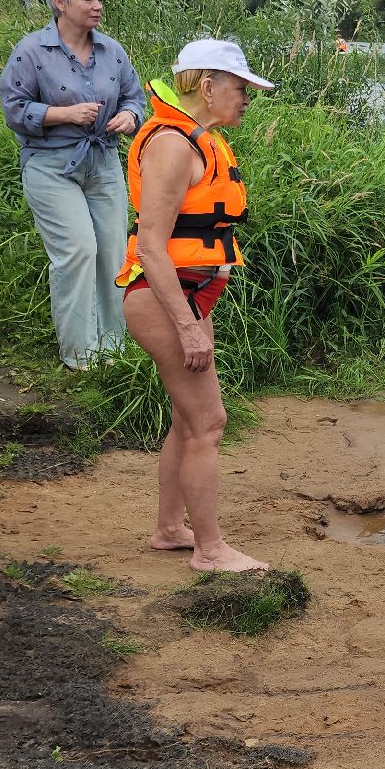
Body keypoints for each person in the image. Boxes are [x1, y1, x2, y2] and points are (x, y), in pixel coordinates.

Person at [118, 39, 271, 572]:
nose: (247, 98)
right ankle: (210, 550)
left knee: (187, 422)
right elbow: (153, 247)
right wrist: (187, 327)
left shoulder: (197, 139)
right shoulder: (171, 144)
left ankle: (169, 529)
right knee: (209, 422)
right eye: (240, 87)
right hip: (164, 301)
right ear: (207, 86)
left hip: (186, 297)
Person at [0, 0, 144, 369]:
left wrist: (131, 117)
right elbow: (13, 108)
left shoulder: (112, 50)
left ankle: (116, 351)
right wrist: (64, 115)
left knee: (114, 253)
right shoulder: (31, 51)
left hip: (104, 159)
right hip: (50, 165)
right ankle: (81, 354)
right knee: (78, 250)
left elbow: (135, 97)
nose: (98, 5)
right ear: (60, 2)